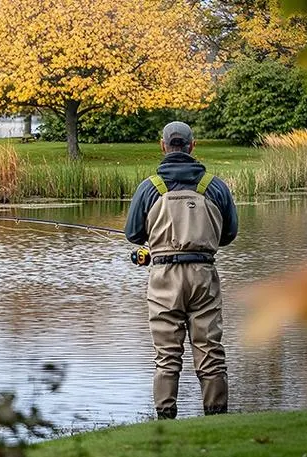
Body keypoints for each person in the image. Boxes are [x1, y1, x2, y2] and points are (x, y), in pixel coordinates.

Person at [125, 121, 238, 419]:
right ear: (192, 146)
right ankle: (216, 416)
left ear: (163, 146)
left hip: (164, 278)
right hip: (203, 275)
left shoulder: (150, 187)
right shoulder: (214, 186)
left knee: (167, 355)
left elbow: (133, 235)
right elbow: (229, 235)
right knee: (210, 351)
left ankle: (165, 418)